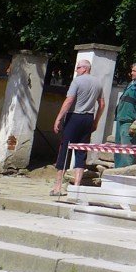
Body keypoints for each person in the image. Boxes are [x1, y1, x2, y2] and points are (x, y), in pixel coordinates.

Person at [51, 58, 105, 195]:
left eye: (78, 67)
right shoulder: (98, 83)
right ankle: (77, 186)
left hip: (74, 117)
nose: (76, 70)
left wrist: (58, 118)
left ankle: (57, 187)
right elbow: (102, 104)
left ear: (85, 68)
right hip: (88, 118)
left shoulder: (77, 81)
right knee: (81, 151)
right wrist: (96, 121)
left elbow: (69, 100)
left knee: (65, 149)